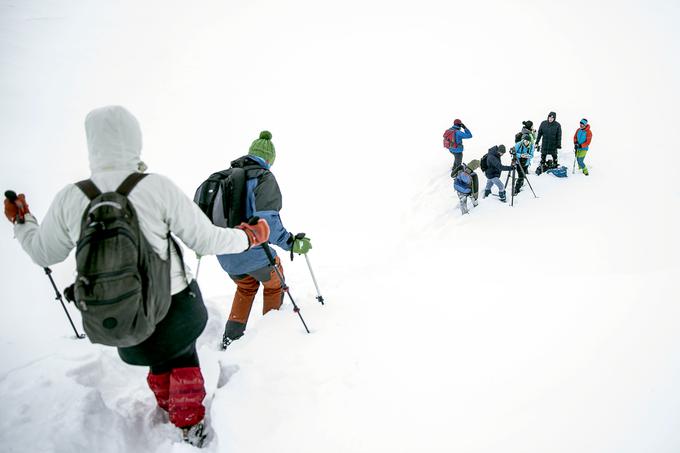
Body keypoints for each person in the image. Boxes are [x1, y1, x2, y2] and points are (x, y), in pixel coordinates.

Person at [2, 105, 270, 447]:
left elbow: (44, 252)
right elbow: (207, 239)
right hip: (175, 310)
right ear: (134, 140)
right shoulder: (155, 187)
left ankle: (164, 401)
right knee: (182, 355)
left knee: (157, 360)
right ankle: (189, 424)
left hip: (118, 319)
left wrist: (22, 221)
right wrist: (250, 236)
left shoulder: (72, 197)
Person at [217, 131, 311, 346]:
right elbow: (268, 221)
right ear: (269, 160)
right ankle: (269, 341)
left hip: (225, 254)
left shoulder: (225, 178)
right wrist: (290, 242)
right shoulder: (263, 177)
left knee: (246, 287)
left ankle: (230, 339)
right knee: (275, 285)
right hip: (254, 254)